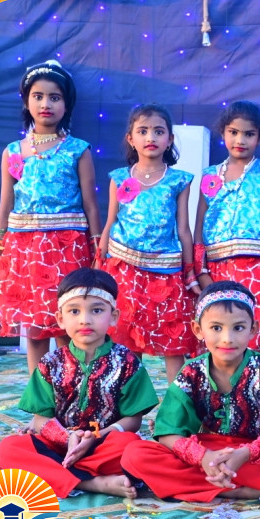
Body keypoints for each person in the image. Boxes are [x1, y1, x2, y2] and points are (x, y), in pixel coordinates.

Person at [120, 281, 260, 502]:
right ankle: (238, 490)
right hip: (203, 452)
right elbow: (167, 433)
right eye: (216, 328)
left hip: (252, 455)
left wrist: (245, 454)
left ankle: (204, 485)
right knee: (135, 455)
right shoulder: (191, 372)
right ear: (198, 330)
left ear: (253, 329)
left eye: (238, 328)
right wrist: (203, 457)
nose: (227, 338)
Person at [0, 268, 158, 499]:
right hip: (59, 445)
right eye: (74, 311)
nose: (85, 320)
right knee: (8, 450)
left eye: (97, 310)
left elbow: (133, 420)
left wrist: (95, 438)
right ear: (61, 318)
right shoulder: (50, 363)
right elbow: (41, 419)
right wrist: (67, 439)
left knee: (133, 447)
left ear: (113, 316)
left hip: (104, 445)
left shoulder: (128, 362)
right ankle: (93, 483)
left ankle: (60, 475)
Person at [0, 60, 101, 375]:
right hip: (25, 252)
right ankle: (40, 393)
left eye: (54, 97)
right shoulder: (13, 151)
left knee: (68, 324)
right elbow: (5, 207)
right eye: (38, 96)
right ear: (26, 101)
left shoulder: (78, 150)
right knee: (34, 328)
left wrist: (97, 253)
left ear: (67, 104)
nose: (45, 104)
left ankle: (71, 388)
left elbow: (91, 206)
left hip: (68, 249)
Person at [99, 104, 198, 380]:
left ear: (170, 139)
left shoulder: (179, 180)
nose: (150, 137)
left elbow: (184, 229)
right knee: (127, 342)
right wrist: (100, 266)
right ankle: (131, 403)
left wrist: (189, 271)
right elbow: (110, 222)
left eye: (158, 131)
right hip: (124, 269)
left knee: (173, 342)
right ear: (130, 138)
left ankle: (177, 404)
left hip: (166, 272)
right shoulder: (119, 178)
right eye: (142, 131)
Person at [193, 101, 260, 358]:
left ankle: (259, 383)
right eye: (233, 132)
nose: (240, 140)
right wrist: (202, 272)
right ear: (223, 132)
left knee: (255, 333)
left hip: (257, 269)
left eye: (249, 134)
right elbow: (199, 229)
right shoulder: (210, 175)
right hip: (216, 271)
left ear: (259, 137)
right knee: (218, 336)